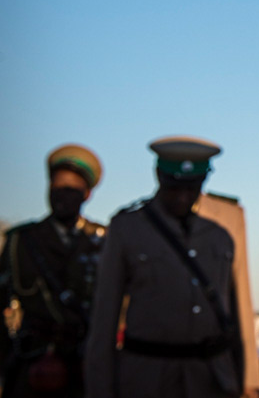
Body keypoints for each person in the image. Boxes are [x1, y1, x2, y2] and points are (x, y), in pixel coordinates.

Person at [85, 137, 242, 398]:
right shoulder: (127, 229)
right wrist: (100, 389)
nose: (182, 197)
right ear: (158, 176)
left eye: (191, 188)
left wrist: (243, 381)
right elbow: (104, 319)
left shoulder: (220, 236)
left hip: (209, 380)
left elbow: (235, 313)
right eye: (173, 187)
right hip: (146, 379)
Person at [0, 144, 105, 398]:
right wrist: (7, 354)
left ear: (87, 194)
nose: (61, 196)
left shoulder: (104, 241)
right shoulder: (21, 241)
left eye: (71, 190)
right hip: (32, 364)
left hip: (85, 365)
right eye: (56, 187)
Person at [193, 192, 259, 398]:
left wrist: (249, 379)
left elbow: (241, 298)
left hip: (214, 370)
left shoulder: (228, 216)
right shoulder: (137, 222)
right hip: (154, 371)